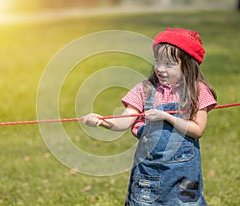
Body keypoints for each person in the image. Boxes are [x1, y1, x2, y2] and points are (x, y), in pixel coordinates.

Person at [83, 27, 217, 206]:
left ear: (188, 64)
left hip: (183, 175)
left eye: (169, 64)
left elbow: (198, 130)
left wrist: (166, 117)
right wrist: (103, 121)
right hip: (149, 173)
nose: (161, 69)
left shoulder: (198, 91)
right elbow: (125, 121)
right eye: (157, 61)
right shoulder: (145, 89)